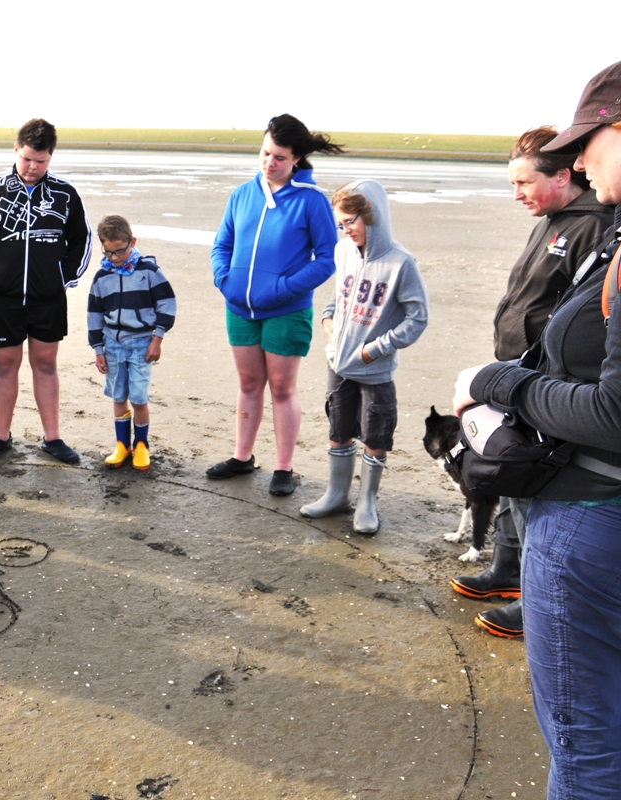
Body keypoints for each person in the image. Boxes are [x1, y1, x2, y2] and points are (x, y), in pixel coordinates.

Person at [452, 60, 621, 799]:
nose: (579, 159)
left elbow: (613, 410)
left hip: (591, 513)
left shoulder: (596, 228)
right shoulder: (592, 227)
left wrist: (499, 384)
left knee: (586, 750)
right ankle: (508, 570)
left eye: (588, 142)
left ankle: (514, 576)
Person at [449, 126, 613, 638]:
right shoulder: (550, 221)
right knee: (507, 474)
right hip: (513, 372)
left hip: (543, 386)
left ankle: (531, 595)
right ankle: (507, 568)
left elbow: (580, 321)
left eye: (524, 182)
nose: (516, 193)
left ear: (563, 175)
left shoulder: (594, 225)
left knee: (526, 478)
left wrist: (526, 378)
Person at [208, 114, 343, 495]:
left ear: (296, 158)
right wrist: (224, 280)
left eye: (280, 157)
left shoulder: (312, 201)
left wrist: (283, 288)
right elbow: (222, 244)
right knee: (249, 383)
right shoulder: (242, 194)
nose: (270, 162)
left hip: (287, 310)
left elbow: (327, 259)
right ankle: (242, 457)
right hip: (240, 308)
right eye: (266, 153)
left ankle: (283, 468)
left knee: (282, 389)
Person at [0, 118, 93, 464]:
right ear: (16, 150)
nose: (33, 167)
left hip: (48, 298)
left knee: (45, 363)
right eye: (27, 158)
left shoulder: (65, 193)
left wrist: (63, 277)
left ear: (51, 157)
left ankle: (53, 438)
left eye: (41, 160)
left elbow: (82, 239)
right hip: (3, 297)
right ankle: (0, 436)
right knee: (5, 364)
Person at [299, 181, 428, 533]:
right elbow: (339, 295)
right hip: (338, 364)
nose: (346, 230)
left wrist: (376, 349)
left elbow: (417, 319)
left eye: (350, 221)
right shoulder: (343, 251)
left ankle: (367, 503)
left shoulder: (401, 262)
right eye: (340, 224)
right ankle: (336, 494)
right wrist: (327, 317)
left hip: (375, 371)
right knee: (338, 429)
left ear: (372, 215)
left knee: (376, 435)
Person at [87, 215, 176, 471]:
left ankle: (141, 445)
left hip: (142, 344)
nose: (114, 257)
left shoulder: (149, 272)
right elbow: (94, 315)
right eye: (108, 252)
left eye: (120, 251)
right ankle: (122, 445)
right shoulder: (101, 276)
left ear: (132, 242)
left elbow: (167, 304)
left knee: (138, 396)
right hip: (112, 346)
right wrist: (98, 349)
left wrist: (157, 338)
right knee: (118, 396)